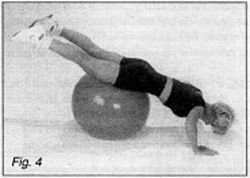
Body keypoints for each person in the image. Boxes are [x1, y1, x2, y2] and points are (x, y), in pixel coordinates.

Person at [12, 15, 235, 156]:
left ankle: (54, 26)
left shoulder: (198, 93)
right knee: (85, 60)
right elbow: (190, 125)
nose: (206, 124)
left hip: (143, 68)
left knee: (95, 51)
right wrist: (196, 148)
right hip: (139, 79)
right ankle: (39, 39)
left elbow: (176, 85)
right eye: (211, 125)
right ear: (213, 117)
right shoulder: (197, 109)